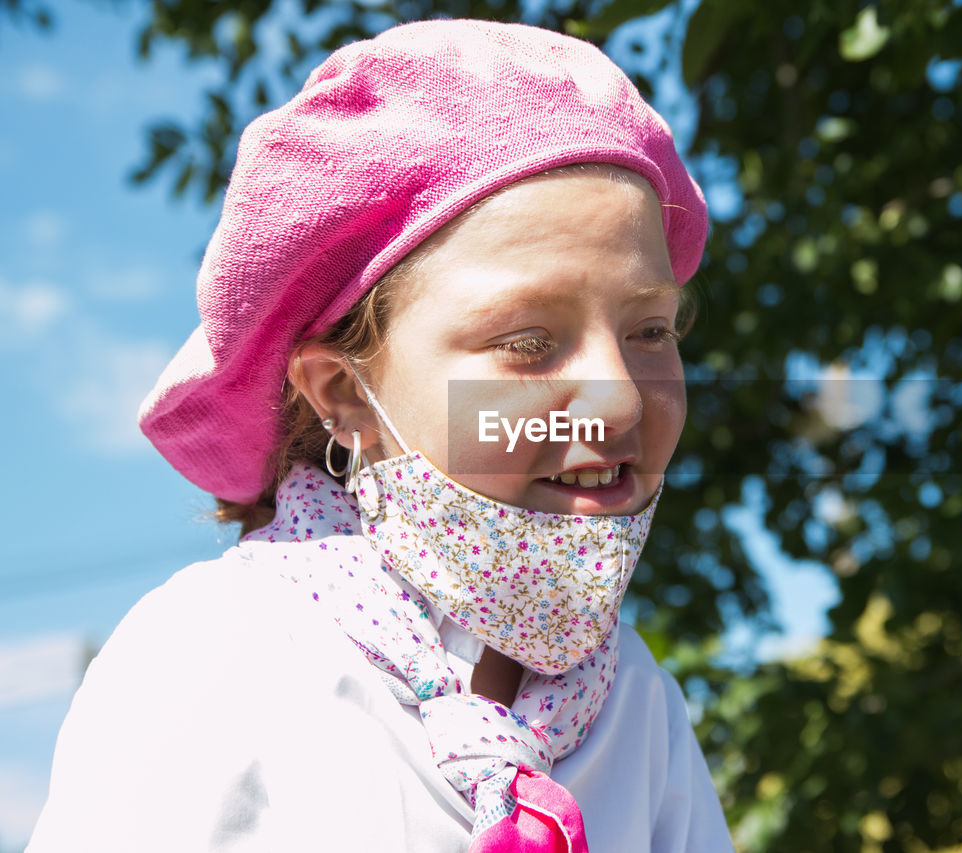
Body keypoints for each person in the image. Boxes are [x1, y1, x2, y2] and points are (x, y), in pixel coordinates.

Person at [28, 18, 732, 853]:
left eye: (651, 331)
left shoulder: (635, 705)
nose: (616, 398)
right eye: (527, 344)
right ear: (344, 392)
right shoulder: (216, 656)